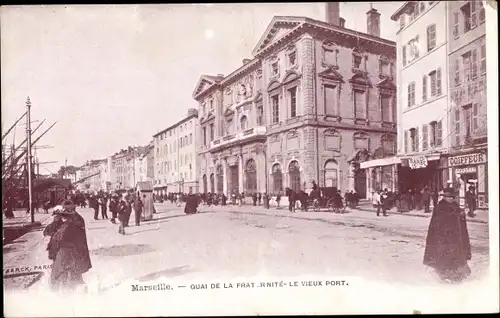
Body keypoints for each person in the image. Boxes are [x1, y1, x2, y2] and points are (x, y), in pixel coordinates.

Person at [423, 188, 472, 283]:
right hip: (444, 239)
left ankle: (456, 275)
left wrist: (461, 214)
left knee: (455, 257)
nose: (451, 199)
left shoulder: (454, 206)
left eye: (452, 197)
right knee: (446, 258)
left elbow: (459, 223)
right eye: (449, 197)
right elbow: (438, 224)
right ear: (445, 197)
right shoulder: (440, 207)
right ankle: (446, 276)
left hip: (455, 238)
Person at [43, 200, 92, 292]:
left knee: (62, 277)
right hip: (65, 254)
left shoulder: (75, 221)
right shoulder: (63, 221)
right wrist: (57, 220)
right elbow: (46, 231)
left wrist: (59, 219)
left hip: (68, 253)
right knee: (71, 277)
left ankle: (63, 296)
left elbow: (60, 237)